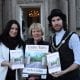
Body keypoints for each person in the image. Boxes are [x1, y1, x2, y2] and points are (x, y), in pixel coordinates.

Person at [47, 9, 80, 80]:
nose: (56, 23)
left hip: (71, 77)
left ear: (63, 21)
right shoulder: (52, 38)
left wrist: (63, 72)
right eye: (53, 20)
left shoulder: (73, 37)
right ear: (51, 23)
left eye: (58, 19)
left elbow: (78, 62)